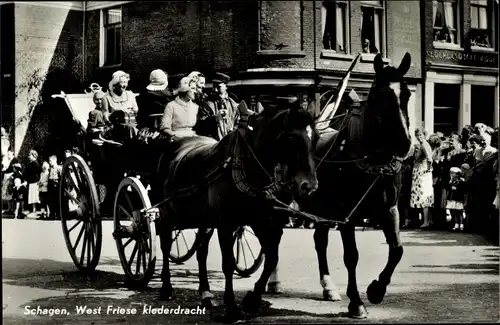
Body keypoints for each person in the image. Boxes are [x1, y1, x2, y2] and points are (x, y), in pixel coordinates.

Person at [196, 72, 239, 141]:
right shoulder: (206, 102)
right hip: (211, 143)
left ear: (226, 87)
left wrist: (232, 132)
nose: (215, 90)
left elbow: (237, 123)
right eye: (214, 86)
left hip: (228, 143)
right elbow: (200, 125)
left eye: (218, 87)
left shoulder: (233, 104)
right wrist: (215, 118)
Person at [159, 76, 199, 141]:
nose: (195, 91)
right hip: (176, 140)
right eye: (193, 88)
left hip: (193, 139)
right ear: (184, 89)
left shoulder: (195, 107)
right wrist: (174, 135)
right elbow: (165, 128)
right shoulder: (171, 106)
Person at [410, 129, 434, 229]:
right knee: (423, 196)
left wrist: (427, 170)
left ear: (424, 135)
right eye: (417, 135)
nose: (419, 137)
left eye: (421, 135)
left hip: (422, 172)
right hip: (419, 171)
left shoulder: (424, 144)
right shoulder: (421, 145)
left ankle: (426, 221)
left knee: (424, 196)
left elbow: (430, 158)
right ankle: (428, 220)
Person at [446, 167, 467, 231]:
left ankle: (461, 224)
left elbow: (462, 190)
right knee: (455, 212)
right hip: (453, 198)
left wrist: (455, 188)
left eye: (453, 173)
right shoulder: (451, 181)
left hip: (459, 199)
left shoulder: (461, 181)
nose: (451, 175)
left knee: (460, 212)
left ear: (457, 174)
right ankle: (456, 224)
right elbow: (449, 189)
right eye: (450, 173)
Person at [25, 149, 41, 216]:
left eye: (30, 155)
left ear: (33, 156)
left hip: (34, 182)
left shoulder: (34, 164)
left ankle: (34, 210)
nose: (29, 156)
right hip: (32, 182)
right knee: (32, 196)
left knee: (34, 196)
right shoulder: (33, 163)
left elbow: (33, 173)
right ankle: (33, 209)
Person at [47, 155, 62, 220]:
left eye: (51, 161)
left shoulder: (59, 168)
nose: (50, 162)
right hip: (50, 185)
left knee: (57, 200)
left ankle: (58, 215)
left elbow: (61, 177)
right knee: (51, 201)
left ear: (55, 160)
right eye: (49, 161)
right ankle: (52, 214)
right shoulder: (50, 169)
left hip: (56, 185)